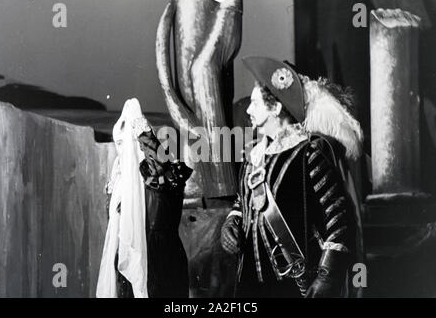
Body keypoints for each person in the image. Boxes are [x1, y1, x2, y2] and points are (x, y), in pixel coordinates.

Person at [221, 57, 364, 298]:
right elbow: (243, 201)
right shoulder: (253, 156)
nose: (248, 110)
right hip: (249, 284)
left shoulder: (309, 152)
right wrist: (232, 220)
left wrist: (326, 277)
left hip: (296, 287)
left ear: (276, 108)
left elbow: (338, 218)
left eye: (255, 104)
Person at [97, 98, 192, 298]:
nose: (123, 149)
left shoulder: (156, 173)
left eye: (128, 141)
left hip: (160, 261)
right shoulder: (121, 178)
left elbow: (159, 165)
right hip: (129, 259)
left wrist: (140, 127)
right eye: (119, 142)